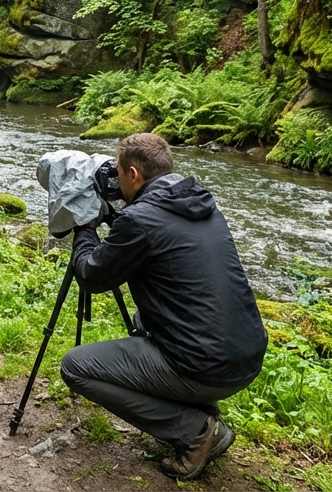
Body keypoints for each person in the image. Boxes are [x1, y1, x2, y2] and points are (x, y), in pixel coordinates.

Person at [61, 133, 266, 481]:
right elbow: (154, 239)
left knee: (76, 366)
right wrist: (118, 218)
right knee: (144, 320)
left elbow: (91, 277)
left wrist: (84, 227)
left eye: (120, 172)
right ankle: (198, 407)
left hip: (205, 366)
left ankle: (196, 430)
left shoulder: (140, 220)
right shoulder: (199, 203)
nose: (116, 179)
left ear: (135, 175)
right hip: (245, 355)